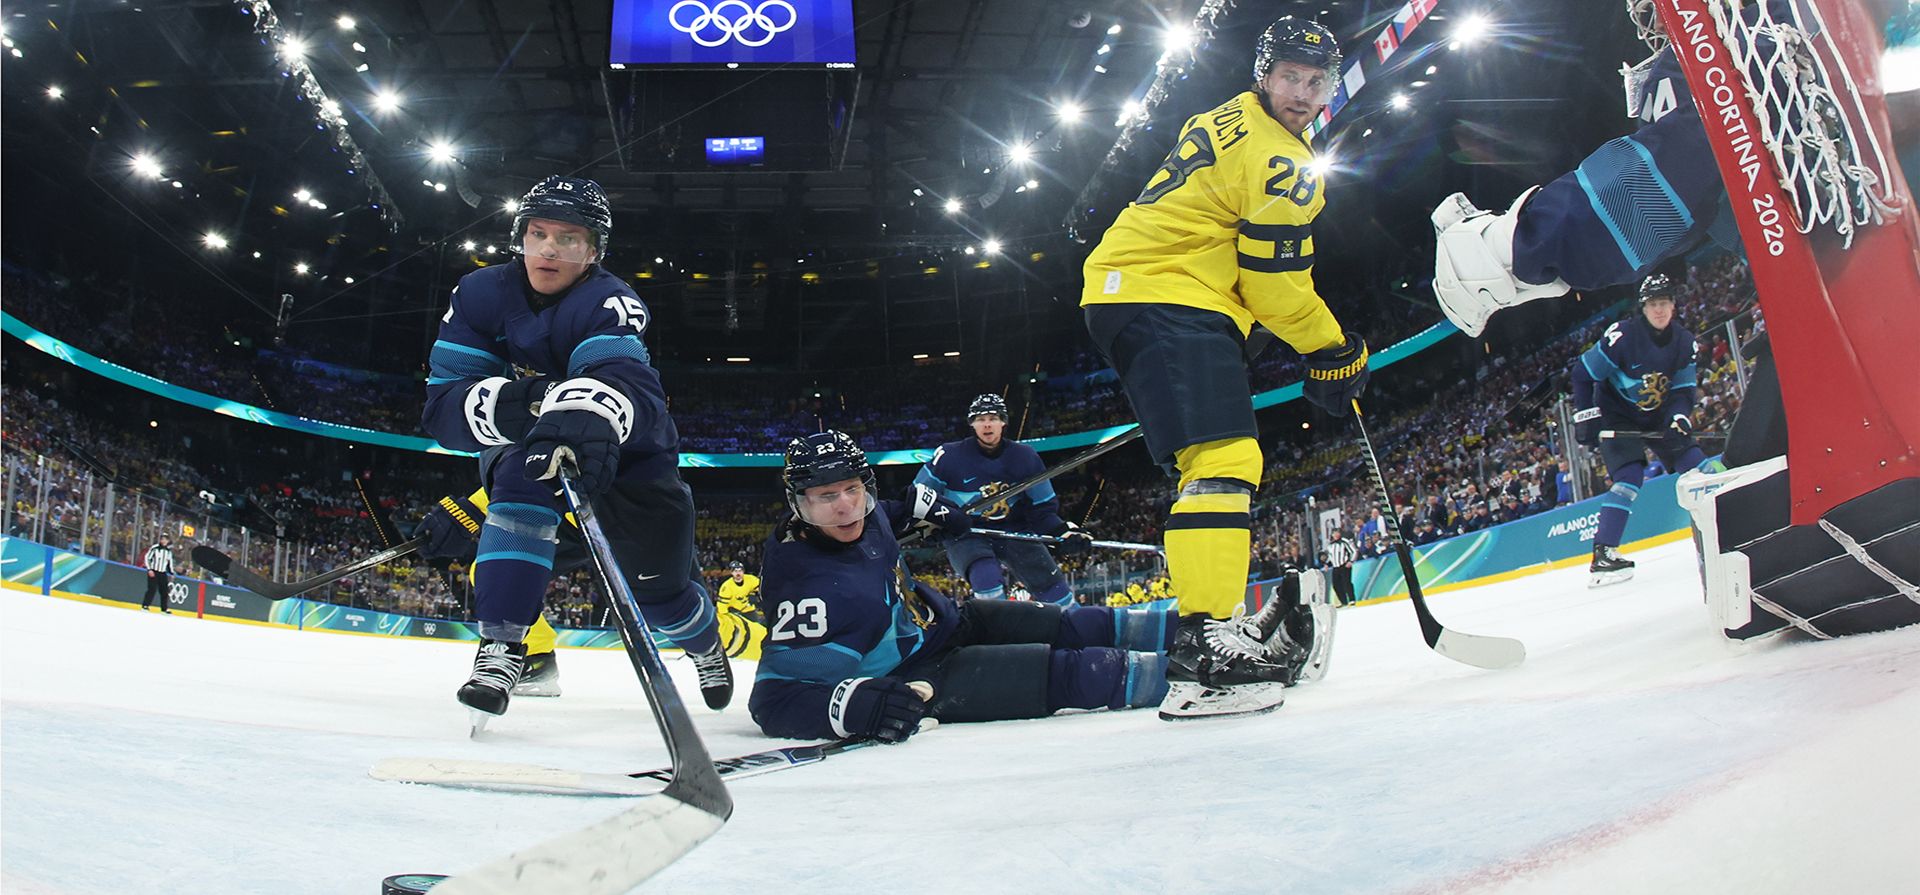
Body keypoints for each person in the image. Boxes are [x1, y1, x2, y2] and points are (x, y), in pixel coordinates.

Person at [1080, 16, 1370, 718]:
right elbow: (1275, 286)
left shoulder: (1230, 116)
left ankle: (1213, 624)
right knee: (1224, 453)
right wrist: (1333, 348)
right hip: (1165, 288)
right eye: (1290, 78)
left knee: (1216, 458)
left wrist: (1253, 327)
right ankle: (1203, 646)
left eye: (1315, 82)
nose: (1302, 94)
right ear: (1263, 74)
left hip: (1147, 285)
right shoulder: (1283, 161)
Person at [748, 431, 1330, 737]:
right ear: (797, 504)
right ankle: (1224, 675)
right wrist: (851, 709)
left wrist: (937, 511)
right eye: (826, 497)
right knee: (1076, 669)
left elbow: (893, 511)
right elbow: (773, 701)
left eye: (854, 488)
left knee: (1077, 622)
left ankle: (1221, 636)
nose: (847, 506)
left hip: (946, 622)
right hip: (919, 674)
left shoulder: (865, 509)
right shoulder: (809, 589)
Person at [419, 174, 730, 727]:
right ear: (520, 236)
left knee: (661, 598)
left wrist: (581, 411)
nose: (549, 249)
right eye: (538, 233)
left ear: (593, 252)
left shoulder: (609, 300)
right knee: (520, 479)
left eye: (569, 238)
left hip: (630, 461)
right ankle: (506, 646)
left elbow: (625, 380)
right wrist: (540, 402)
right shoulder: (478, 294)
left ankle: (704, 643)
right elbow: (444, 407)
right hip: (533, 449)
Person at [1571, 272, 1706, 587]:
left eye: (1665, 303)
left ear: (1673, 306)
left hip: (1658, 415)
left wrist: (1679, 418)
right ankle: (1604, 555)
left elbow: (1683, 392)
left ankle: (1729, 528)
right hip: (1618, 414)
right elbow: (1582, 373)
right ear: (1643, 308)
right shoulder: (1622, 336)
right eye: (1653, 304)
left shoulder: (1685, 342)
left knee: (1700, 467)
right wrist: (1587, 416)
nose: (1659, 310)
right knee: (1629, 478)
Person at [912, 394, 1095, 607]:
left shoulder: (1026, 456)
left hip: (1014, 529)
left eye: (993, 417)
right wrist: (929, 523)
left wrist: (1062, 531)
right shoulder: (949, 456)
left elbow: (1042, 511)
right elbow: (917, 497)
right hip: (966, 533)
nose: (987, 424)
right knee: (986, 577)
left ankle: (1077, 627)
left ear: (1003, 422)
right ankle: (996, 632)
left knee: (1051, 586)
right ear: (972, 424)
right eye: (980, 419)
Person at [412, 489, 572, 697]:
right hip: (588, 513)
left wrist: (470, 508)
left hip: (584, 511)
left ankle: (537, 658)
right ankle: (537, 659)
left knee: (498, 569)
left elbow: (529, 468)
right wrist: (467, 510)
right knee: (494, 569)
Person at [714, 560, 766, 659]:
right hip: (736, 614)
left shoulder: (751, 579)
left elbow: (763, 589)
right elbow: (721, 608)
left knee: (757, 632)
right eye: (735, 570)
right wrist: (727, 618)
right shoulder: (726, 587)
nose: (738, 573)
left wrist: (755, 596)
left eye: (740, 570)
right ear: (732, 572)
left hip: (749, 611)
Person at [1322, 528, 1357, 607]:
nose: (1336, 534)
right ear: (1332, 535)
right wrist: (1326, 564)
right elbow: (1330, 557)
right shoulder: (1330, 545)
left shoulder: (1344, 542)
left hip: (1344, 565)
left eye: (1337, 532)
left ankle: (1352, 599)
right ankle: (1343, 601)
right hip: (1336, 567)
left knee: (1347, 583)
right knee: (1336, 585)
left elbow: (1353, 551)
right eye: (1334, 533)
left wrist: (1351, 561)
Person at [140, 533, 174, 613]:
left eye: (165, 539)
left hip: (162, 572)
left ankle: (164, 608)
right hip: (154, 571)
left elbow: (169, 563)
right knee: (152, 589)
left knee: (164, 591)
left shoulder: (168, 552)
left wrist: (171, 573)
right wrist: (149, 569)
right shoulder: (155, 548)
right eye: (162, 539)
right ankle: (145, 605)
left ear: (168, 541)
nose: (163, 540)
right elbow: (147, 558)